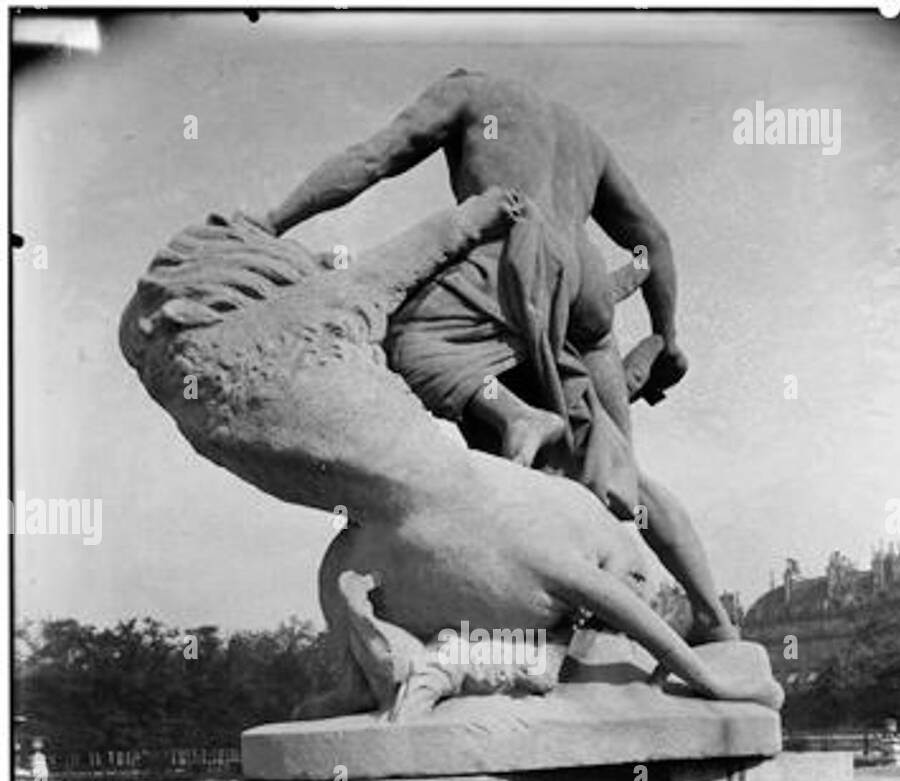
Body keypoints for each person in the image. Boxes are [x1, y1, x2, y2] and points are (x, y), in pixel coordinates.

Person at [257, 71, 737, 642]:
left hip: (514, 247)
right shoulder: (581, 133)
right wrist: (668, 335)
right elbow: (652, 240)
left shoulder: (469, 92)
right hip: (584, 284)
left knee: (400, 338)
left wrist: (272, 223)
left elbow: (372, 159)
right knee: (610, 465)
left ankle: (516, 418)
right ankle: (711, 616)